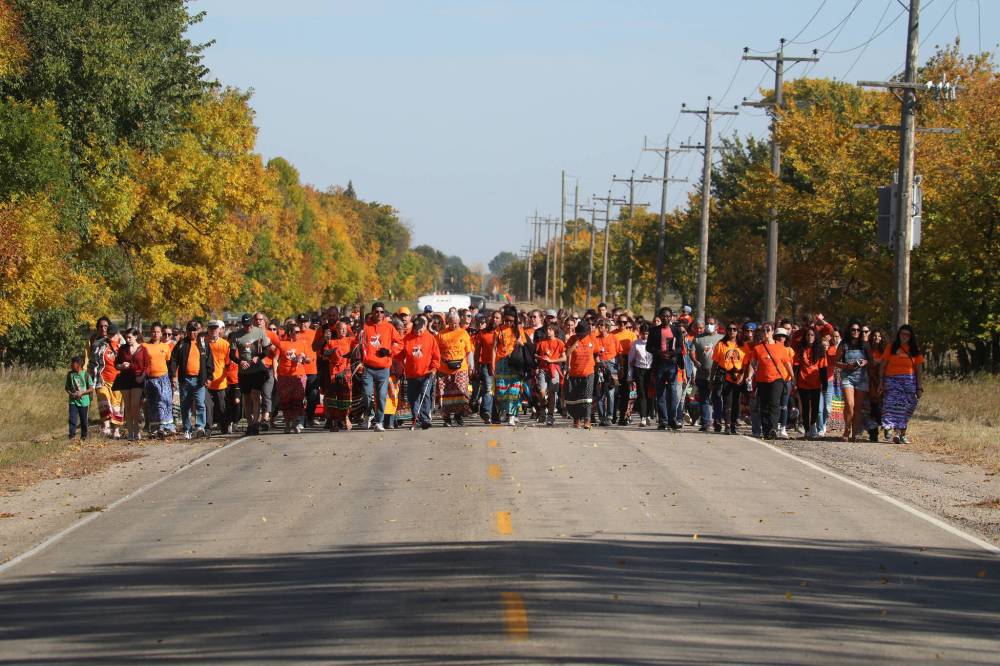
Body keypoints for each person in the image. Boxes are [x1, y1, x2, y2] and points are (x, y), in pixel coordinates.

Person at [360, 302, 403, 432]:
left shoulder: (389, 327)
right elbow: (359, 344)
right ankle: (369, 413)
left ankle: (379, 422)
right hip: (368, 367)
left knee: (381, 396)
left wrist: (389, 351)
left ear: (384, 313)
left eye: (381, 312)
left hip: (384, 368)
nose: (379, 314)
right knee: (367, 394)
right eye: (376, 311)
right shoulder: (365, 327)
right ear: (372, 312)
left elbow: (400, 343)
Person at [878, 324, 924, 444]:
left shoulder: (915, 350)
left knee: (910, 405)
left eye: (907, 335)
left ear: (911, 336)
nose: (905, 337)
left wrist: (919, 387)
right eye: (902, 334)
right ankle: (894, 430)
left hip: (909, 381)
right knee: (895, 404)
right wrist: (880, 383)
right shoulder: (891, 347)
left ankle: (900, 432)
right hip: (892, 380)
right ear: (899, 335)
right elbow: (882, 365)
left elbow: (919, 370)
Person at [747, 324, 793, 440]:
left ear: (772, 332)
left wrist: (793, 376)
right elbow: (753, 363)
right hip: (762, 379)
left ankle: (773, 428)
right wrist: (749, 376)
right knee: (764, 405)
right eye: (764, 330)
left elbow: (787, 363)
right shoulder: (758, 348)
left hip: (776, 379)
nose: (766, 332)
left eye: (768, 330)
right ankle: (766, 430)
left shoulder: (780, 347)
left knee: (774, 403)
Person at [232, 313, 274, 436]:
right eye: (245, 326)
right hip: (244, 372)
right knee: (246, 399)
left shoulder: (259, 332)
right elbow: (232, 354)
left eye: (249, 325)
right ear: (242, 325)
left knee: (256, 395)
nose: (248, 328)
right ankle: (250, 423)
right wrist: (240, 361)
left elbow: (267, 349)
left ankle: (255, 423)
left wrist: (259, 357)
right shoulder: (237, 335)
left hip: (257, 370)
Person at [171, 320, 214, 439]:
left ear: (199, 331)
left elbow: (209, 361)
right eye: (190, 330)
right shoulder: (181, 344)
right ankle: (187, 429)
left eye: (195, 330)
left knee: (200, 404)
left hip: (199, 380)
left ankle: (200, 427)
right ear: (187, 331)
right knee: (185, 406)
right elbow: (173, 360)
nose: (192, 333)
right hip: (185, 380)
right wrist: (173, 375)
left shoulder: (203, 343)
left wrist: (209, 377)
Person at [646, 307, 685, 430]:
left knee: (673, 392)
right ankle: (663, 420)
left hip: (672, 364)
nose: (666, 318)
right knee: (660, 393)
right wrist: (659, 353)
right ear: (660, 317)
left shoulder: (676, 330)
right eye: (664, 316)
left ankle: (672, 419)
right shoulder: (654, 330)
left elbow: (680, 348)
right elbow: (648, 347)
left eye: (668, 316)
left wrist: (672, 353)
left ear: (671, 317)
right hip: (659, 364)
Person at [401, 315, 441, 429]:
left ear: (425, 326)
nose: (418, 331)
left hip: (427, 373)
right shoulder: (407, 338)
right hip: (411, 374)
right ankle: (416, 418)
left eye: (420, 328)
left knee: (425, 395)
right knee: (412, 398)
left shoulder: (430, 338)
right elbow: (400, 354)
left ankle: (425, 419)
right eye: (416, 328)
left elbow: (436, 356)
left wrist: (434, 368)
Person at [437, 311, 474, 426]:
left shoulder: (463, 333)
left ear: (459, 322)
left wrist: (471, 365)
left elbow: (469, 352)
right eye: (451, 323)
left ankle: (458, 416)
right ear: (447, 322)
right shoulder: (441, 334)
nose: (454, 325)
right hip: (444, 369)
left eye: (456, 323)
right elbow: (436, 352)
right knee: (444, 394)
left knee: (462, 392)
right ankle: (446, 418)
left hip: (461, 368)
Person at [89, 317, 124, 438]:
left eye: (113, 334)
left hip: (118, 380)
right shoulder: (98, 345)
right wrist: (92, 380)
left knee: (116, 406)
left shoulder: (122, 346)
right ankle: (106, 427)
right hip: (102, 379)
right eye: (109, 334)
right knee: (104, 402)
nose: (111, 336)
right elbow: (92, 363)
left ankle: (116, 430)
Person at [836, 321, 871, 442]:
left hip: (861, 378)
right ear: (849, 331)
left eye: (858, 330)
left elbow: (870, 361)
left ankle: (855, 432)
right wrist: (847, 365)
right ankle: (847, 428)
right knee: (850, 404)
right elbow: (836, 362)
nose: (855, 332)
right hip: (847, 377)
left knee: (858, 407)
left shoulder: (865, 345)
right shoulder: (844, 344)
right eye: (853, 330)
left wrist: (865, 362)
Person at [494, 305, 528, 425]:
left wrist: (520, 342)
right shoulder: (498, 329)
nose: (508, 323)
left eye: (511, 321)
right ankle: (503, 409)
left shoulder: (519, 329)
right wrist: (492, 365)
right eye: (506, 320)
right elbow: (494, 348)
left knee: (514, 390)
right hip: (501, 363)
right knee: (501, 391)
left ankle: (511, 415)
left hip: (515, 363)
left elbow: (525, 345)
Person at [713, 322, 748, 435]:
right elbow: (715, 363)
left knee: (736, 402)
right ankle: (727, 425)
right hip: (725, 375)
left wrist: (743, 376)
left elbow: (746, 364)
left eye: (734, 329)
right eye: (730, 329)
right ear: (726, 331)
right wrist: (711, 378)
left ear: (738, 332)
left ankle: (734, 425)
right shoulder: (721, 344)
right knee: (727, 401)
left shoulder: (743, 345)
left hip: (739, 376)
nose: (732, 331)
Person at [275, 322, 311, 433]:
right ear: (290, 333)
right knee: (286, 400)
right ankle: (287, 423)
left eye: (299, 332)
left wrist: (304, 358)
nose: (298, 334)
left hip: (299, 375)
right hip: (284, 376)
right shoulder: (282, 344)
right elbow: (275, 359)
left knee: (298, 399)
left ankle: (295, 423)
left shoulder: (303, 344)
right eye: (296, 332)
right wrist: (274, 372)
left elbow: (308, 360)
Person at [113, 327, 147, 441]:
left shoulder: (143, 349)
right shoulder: (123, 349)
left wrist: (142, 377)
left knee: (135, 405)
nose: (127, 340)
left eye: (130, 337)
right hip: (125, 378)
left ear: (136, 337)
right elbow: (116, 364)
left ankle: (137, 430)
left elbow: (147, 365)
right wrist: (121, 366)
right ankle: (130, 431)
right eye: (126, 337)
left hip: (137, 379)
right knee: (127, 406)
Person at [322, 319, 356, 431]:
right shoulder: (331, 341)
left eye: (345, 329)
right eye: (341, 329)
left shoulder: (350, 340)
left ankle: (346, 418)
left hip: (345, 372)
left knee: (346, 397)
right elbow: (324, 354)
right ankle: (335, 422)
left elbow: (358, 345)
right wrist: (332, 351)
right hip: (332, 373)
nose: (343, 331)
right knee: (333, 398)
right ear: (336, 330)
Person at [143, 322, 175, 436]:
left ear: (161, 334)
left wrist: (173, 378)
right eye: (153, 331)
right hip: (149, 379)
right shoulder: (145, 346)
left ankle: (166, 426)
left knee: (164, 401)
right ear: (150, 332)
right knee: (152, 403)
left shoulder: (165, 347)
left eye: (157, 332)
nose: (155, 334)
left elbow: (169, 362)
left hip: (163, 378)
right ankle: (155, 427)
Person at [795, 327, 828, 439]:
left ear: (816, 337)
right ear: (805, 336)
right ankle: (807, 429)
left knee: (815, 407)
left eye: (812, 335)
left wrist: (825, 384)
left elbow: (823, 368)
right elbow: (796, 366)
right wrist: (795, 381)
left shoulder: (820, 350)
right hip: (802, 381)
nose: (810, 337)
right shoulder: (800, 349)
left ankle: (813, 424)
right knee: (804, 407)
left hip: (815, 382)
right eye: (808, 335)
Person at [565, 320, 597, 429]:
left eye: (583, 334)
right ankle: (576, 419)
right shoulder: (572, 338)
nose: (581, 335)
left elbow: (596, 353)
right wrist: (575, 343)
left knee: (587, 397)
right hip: (574, 373)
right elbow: (567, 353)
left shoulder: (592, 338)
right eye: (580, 333)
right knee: (575, 398)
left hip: (588, 372)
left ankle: (587, 420)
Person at [693, 318, 723, 432]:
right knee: (704, 399)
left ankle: (717, 422)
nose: (709, 325)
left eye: (711, 323)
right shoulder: (698, 338)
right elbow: (691, 351)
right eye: (708, 323)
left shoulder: (721, 339)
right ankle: (705, 423)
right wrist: (695, 361)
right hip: (702, 375)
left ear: (717, 326)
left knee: (717, 399)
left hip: (717, 375)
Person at [534, 322, 566, 426]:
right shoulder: (541, 342)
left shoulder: (560, 342)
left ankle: (551, 415)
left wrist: (551, 360)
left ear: (555, 331)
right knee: (542, 391)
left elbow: (564, 357)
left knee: (552, 393)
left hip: (554, 370)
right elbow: (535, 354)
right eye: (547, 329)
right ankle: (543, 410)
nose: (548, 331)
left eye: (550, 329)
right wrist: (541, 358)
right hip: (543, 369)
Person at [474, 310, 501, 424]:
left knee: (498, 391)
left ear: (501, 320)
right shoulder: (482, 333)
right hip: (486, 364)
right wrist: (476, 366)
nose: (494, 319)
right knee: (488, 388)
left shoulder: (503, 333)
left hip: (501, 365)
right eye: (493, 317)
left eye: (497, 318)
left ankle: (495, 416)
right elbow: (477, 351)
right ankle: (486, 412)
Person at [203, 321, 230, 436]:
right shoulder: (203, 344)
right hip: (206, 382)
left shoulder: (225, 344)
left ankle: (224, 427)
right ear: (208, 330)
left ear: (219, 330)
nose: (213, 330)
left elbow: (228, 363)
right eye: (211, 328)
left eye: (215, 328)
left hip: (220, 381)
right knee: (207, 406)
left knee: (221, 406)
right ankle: (208, 428)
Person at [593, 319, 619, 426]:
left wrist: (620, 369)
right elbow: (594, 354)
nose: (600, 326)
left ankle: (609, 416)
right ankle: (602, 417)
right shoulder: (596, 339)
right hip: (600, 367)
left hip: (612, 367)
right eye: (599, 325)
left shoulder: (613, 338)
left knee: (611, 393)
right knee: (599, 394)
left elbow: (619, 354)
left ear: (607, 327)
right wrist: (598, 362)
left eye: (602, 325)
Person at [627, 323, 653, 427]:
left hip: (650, 370)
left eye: (647, 333)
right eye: (643, 333)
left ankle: (648, 415)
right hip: (639, 370)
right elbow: (630, 360)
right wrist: (630, 375)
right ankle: (642, 417)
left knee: (650, 394)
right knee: (641, 393)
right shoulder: (635, 344)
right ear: (640, 333)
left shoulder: (653, 344)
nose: (645, 336)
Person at [66, 355, 95, 440]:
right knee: (72, 419)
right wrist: (71, 394)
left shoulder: (86, 375)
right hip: (73, 401)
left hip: (84, 402)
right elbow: (67, 388)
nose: (71, 365)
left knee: (83, 420)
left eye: (72, 363)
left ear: (78, 365)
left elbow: (91, 388)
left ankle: (84, 436)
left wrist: (82, 393)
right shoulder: (70, 374)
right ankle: (71, 436)